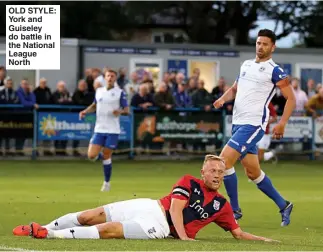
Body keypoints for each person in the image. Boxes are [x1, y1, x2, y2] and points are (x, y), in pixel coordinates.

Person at [13, 155, 278, 242]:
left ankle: (47, 235)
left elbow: (238, 234)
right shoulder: (189, 181)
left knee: (109, 230)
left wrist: (265, 239)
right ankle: (42, 226)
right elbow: (176, 208)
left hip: (161, 228)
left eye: (221, 172)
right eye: (213, 171)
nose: (218, 175)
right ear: (203, 172)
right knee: (87, 216)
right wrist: (186, 239)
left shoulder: (222, 206)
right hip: (151, 206)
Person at [213, 29, 296, 226]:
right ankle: (284, 205)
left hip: (253, 124)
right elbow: (235, 88)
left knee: (223, 161)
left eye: (265, 44)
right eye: (258, 43)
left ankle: (234, 211)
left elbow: (291, 99)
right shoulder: (246, 64)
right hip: (238, 122)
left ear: (272, 47)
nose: (260, 47)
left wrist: (282, 123)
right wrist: (223, 99)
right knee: (252, 172)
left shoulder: (275, 70)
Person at [78, 69, 129, 192]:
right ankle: (101, 155)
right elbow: (94, 105)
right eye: (108, 76)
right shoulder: (99, 91)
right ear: (105, 78)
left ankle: (106, 183)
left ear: (115, 78)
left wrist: (120, 112)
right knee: (91, 155)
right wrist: (85, 111)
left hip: (113, 130)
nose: (110, 78)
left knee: (106, 155)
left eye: (112, 76)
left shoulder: (120, 93)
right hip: (99, 128)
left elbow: (127, 110)